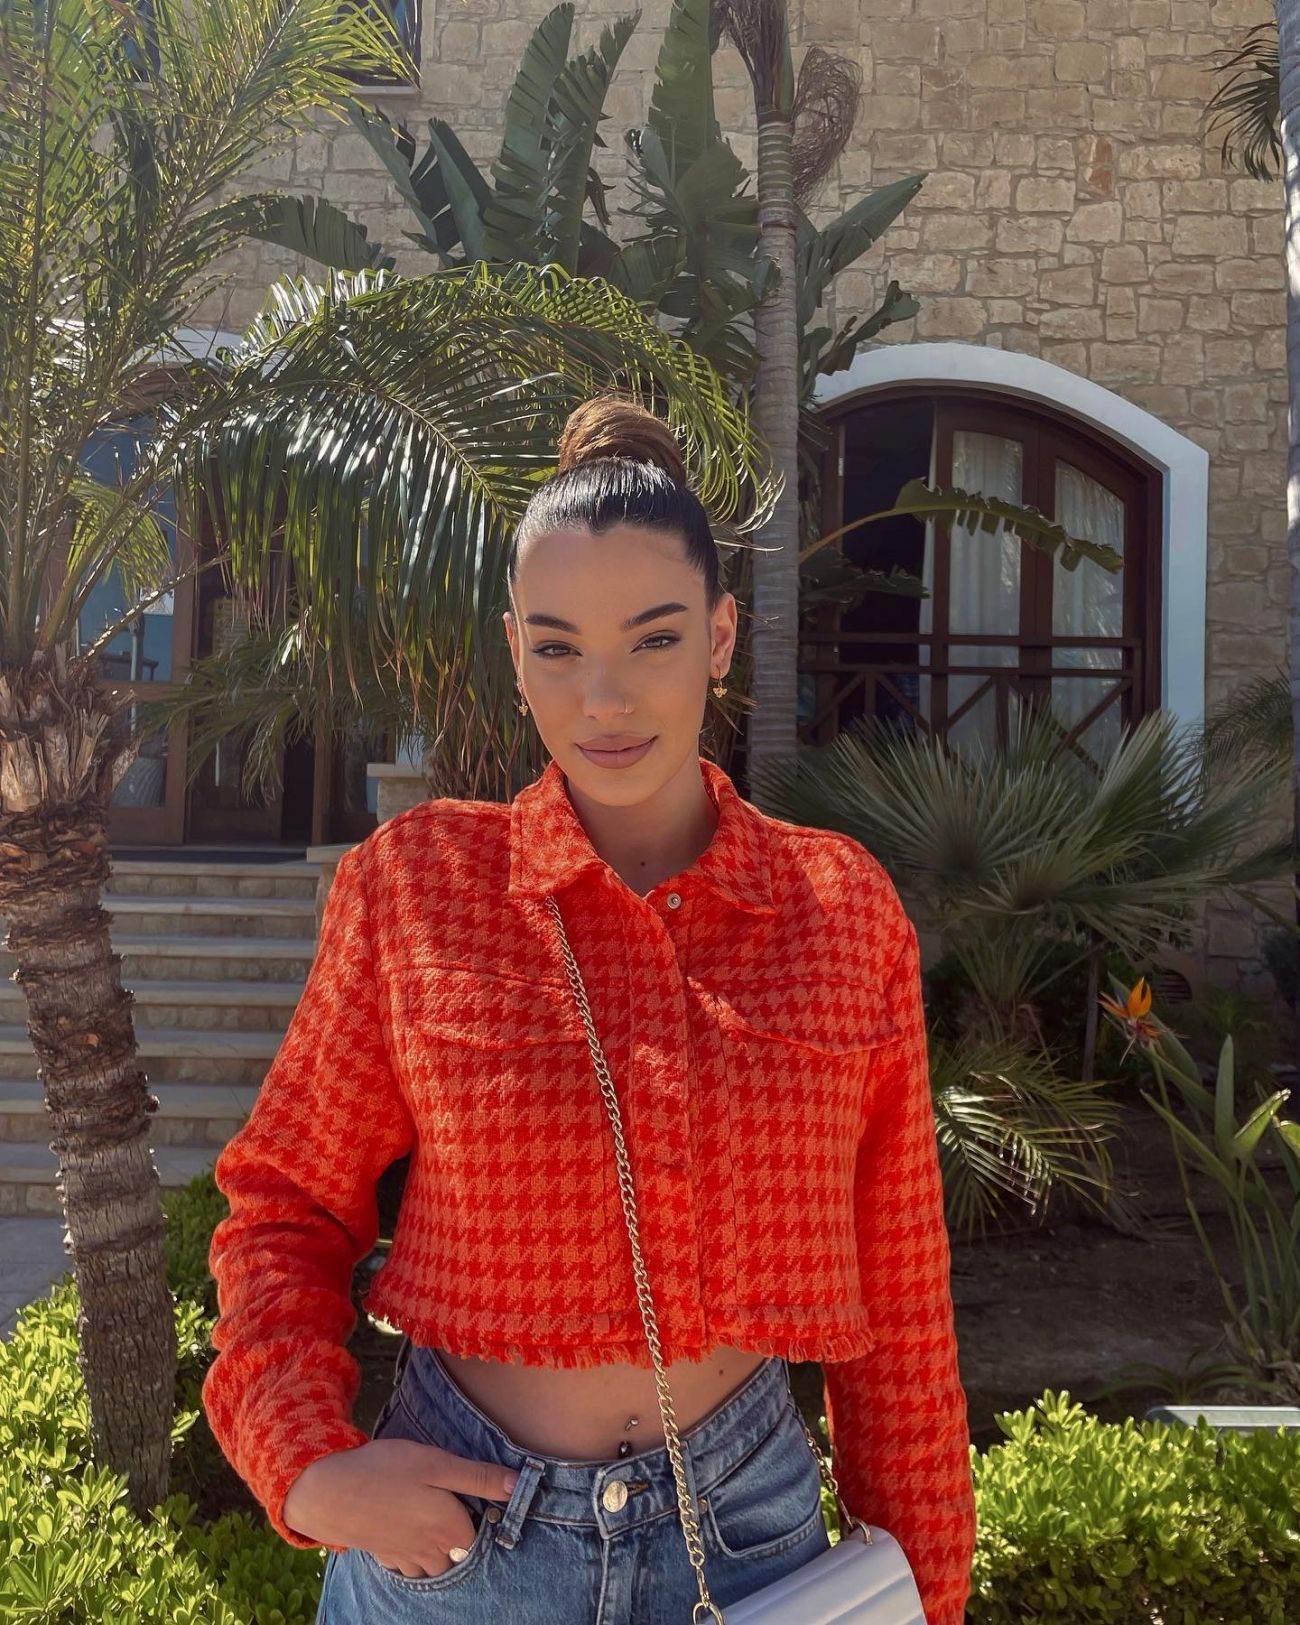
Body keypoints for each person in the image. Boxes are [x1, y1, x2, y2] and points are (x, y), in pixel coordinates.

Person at [202, 393, 977, 1624]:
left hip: (751, 1545)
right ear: (515, 652)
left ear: (719, 634)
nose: (604, 697)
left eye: (653, 638)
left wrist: (929, 1594)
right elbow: (285, 1201)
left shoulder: (835, 910)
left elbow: (902, 1308)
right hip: (459, 1548)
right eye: (558, 647)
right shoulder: (421, 884)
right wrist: (304, 1461)